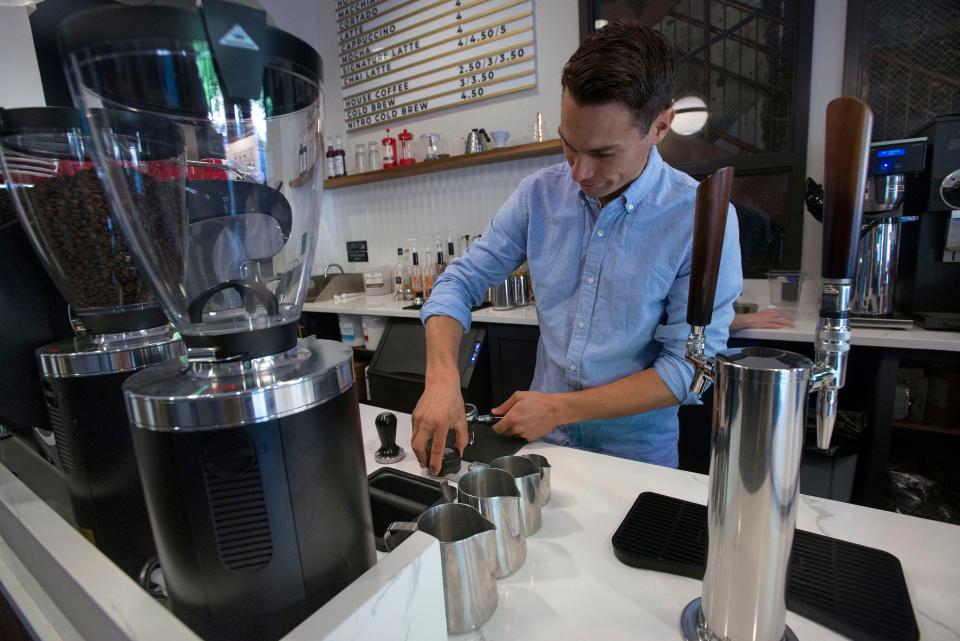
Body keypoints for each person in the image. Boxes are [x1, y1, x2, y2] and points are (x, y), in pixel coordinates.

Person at [413, 21, 742, 474]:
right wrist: (442, 379)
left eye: (603, 154)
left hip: (637, 462)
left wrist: (561, 408)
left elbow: (689, 370)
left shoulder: (697, 217)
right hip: (543, 450)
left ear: (660, 126)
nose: (578, 174)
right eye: (569, 146)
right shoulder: (537, 195)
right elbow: (459, 282)